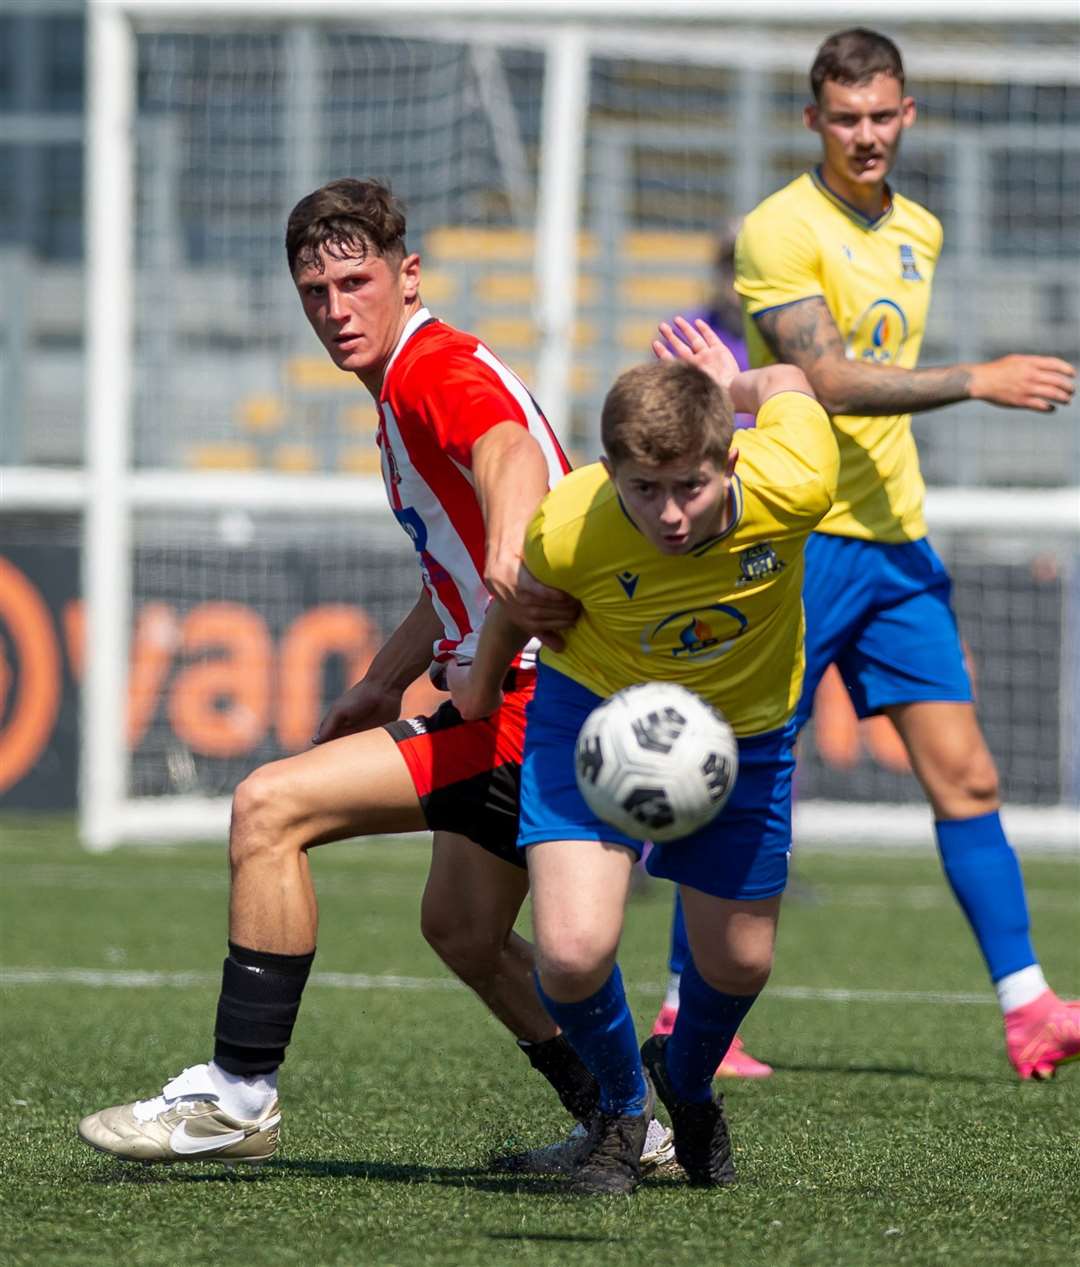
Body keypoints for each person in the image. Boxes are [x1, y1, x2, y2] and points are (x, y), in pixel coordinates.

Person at [77, 177, 676, 1168]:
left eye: (355, 283)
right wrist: (379, 677)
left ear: (408, 276)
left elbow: (507, 451)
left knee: (268, 807)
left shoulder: (427, 373)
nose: (335, 309)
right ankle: (628, 1127)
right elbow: (456, 554)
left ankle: (236, 1097)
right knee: (462, 927)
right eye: (315, 293)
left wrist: (510, 549)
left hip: (529, 700)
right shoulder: (415, 378)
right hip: (541, 689)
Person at [733, 27, 1079, 1079]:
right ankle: (683, 1014)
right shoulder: (778, 229)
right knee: (748, 775)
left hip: (896, 542)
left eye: (883, 115)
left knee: (967, 774)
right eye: (846, 118)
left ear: (908, 113)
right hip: (801, 536)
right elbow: (827, 382)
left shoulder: (919, 227)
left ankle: (1029, 1010)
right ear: (813, 121)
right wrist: (976, 379)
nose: (867, 135)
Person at [451, 320, 839, 1194]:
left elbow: (789, 379)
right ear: (611, 474)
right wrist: (480, 683)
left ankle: (690, 1082)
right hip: (594, 718)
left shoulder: (798, 478)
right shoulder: (572, 523)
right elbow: (519, 599)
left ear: (731, 462)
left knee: (740, 962)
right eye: (644, 488)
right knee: (572, 953)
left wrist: (730, 385)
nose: (668, 513)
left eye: (691, 488)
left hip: (746, 735)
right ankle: (627, 1115)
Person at [653, 219, 774, 1082]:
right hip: (716, 570)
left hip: (804, 553)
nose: (740, 276)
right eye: (732, 262)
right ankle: (678, 1000)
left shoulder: (793, 337)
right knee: (700, 762)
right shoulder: (706, 341)